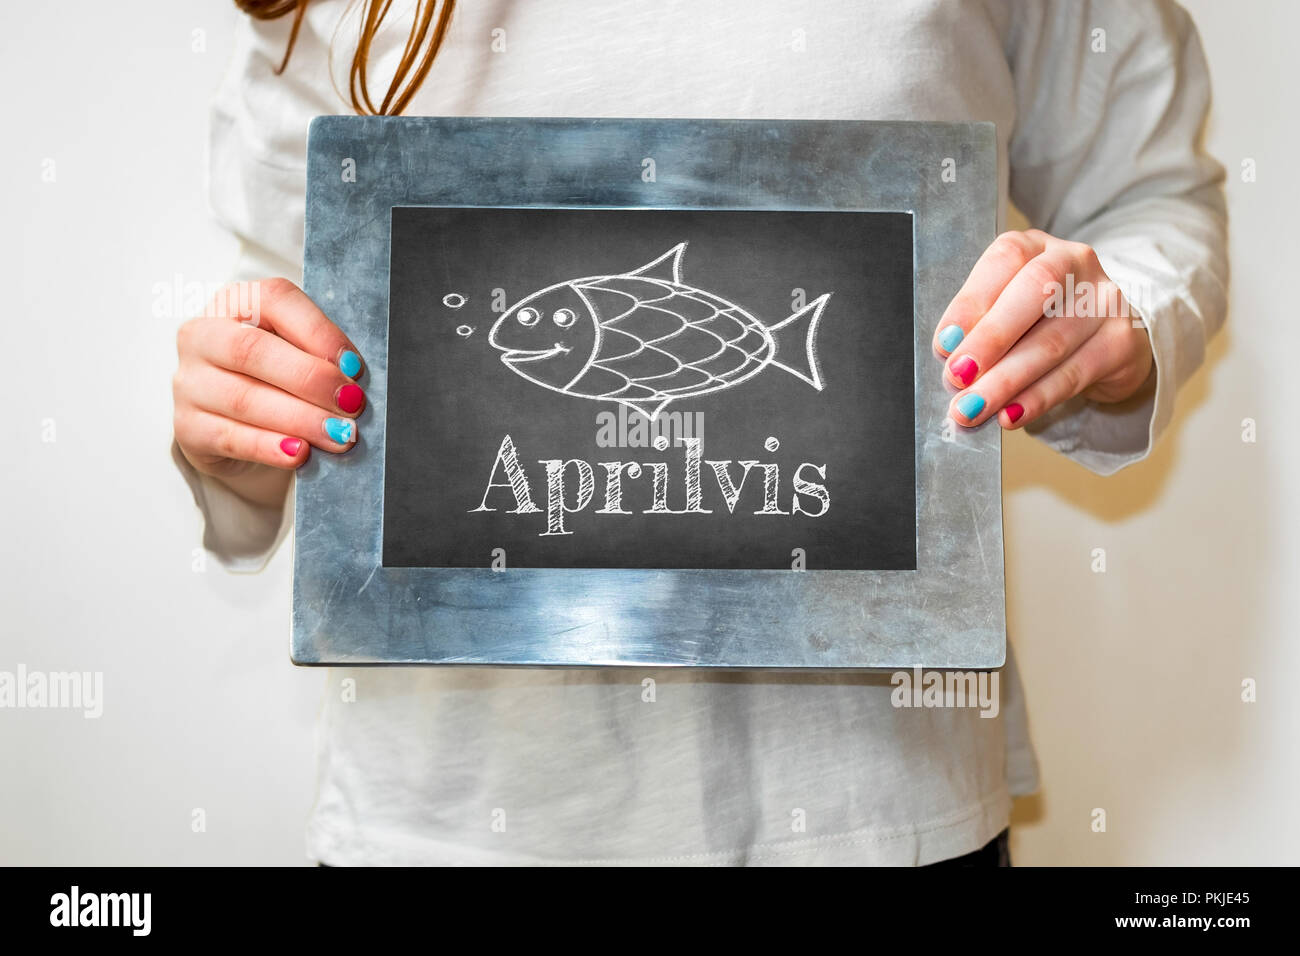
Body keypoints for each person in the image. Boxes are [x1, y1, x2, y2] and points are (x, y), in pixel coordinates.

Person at [172, 0, 1227, 865]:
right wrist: (237, 427)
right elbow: (275, 305)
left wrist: (1110, 322)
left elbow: (1153, 203)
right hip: (441, 824)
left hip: (880, 818)